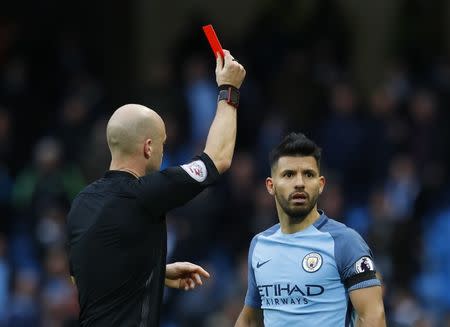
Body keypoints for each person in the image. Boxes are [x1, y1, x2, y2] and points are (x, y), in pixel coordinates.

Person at [66, 50, 246, 326]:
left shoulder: (81, 202)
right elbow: (217, 158)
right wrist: (229, 88)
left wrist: (155, 272)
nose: (163, 153)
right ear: (149, 147)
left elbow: (82, 276)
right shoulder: (144, 194)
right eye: (162, 144)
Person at [235, 133, 386, 326]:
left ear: (320, 184)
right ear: (270, 186)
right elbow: (250, 319)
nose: (299, 183)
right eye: (289, 174)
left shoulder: (345, 242)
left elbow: (373, 317)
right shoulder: (260, 245)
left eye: (308, 174)